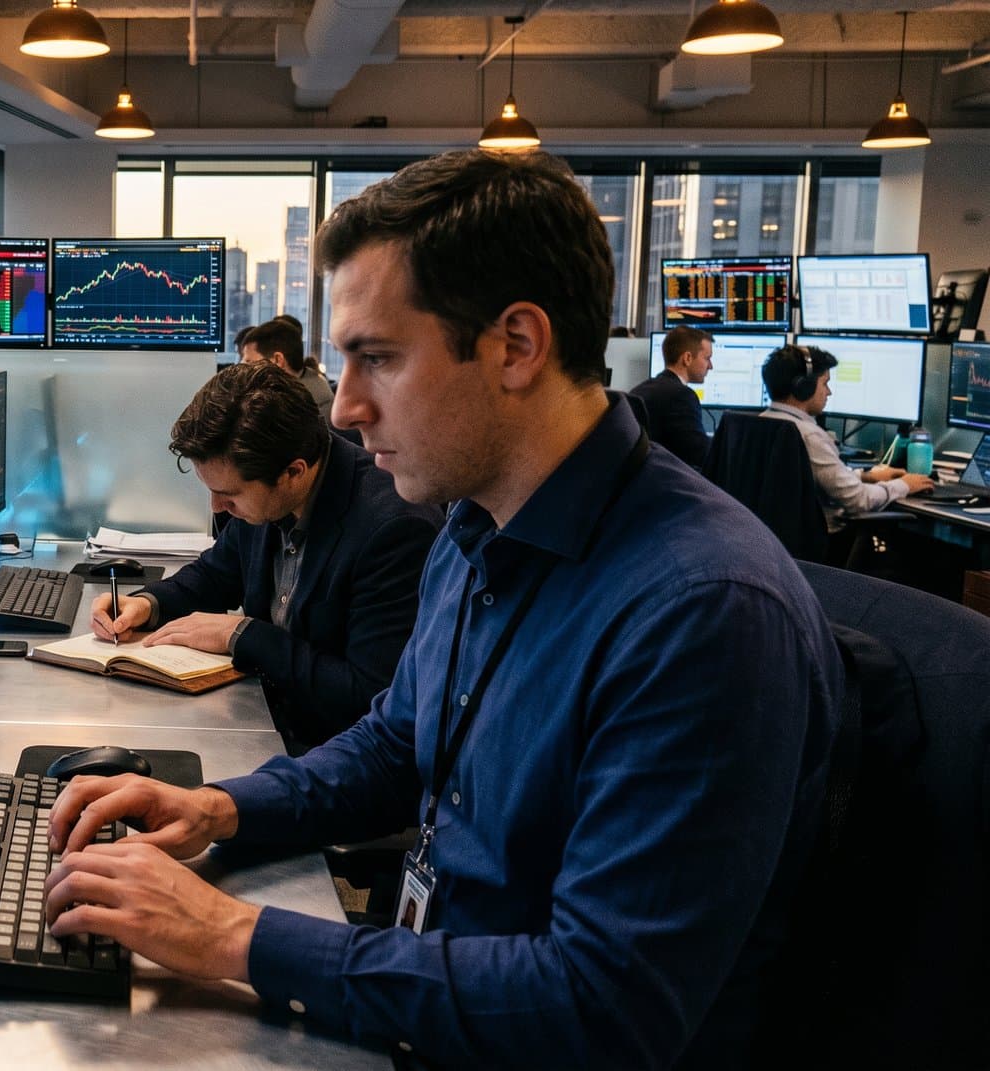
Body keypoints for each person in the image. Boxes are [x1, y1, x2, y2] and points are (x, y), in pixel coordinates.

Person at [44, 150, 839, 1069]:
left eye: (378, 358)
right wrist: (218, 807)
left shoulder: (703, 610)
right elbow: (396, 744)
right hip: (427, 996)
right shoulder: (472, 529)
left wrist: (233, 936)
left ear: (517, 346)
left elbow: (600, 1007)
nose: (344, 409)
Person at [90, 362, 439, 753]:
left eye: (229, 495)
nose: (217, 507)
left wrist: (244, 636)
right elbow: (216, 574)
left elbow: (368, 696)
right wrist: (146, 603)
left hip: (329, 754)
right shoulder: (265, 491)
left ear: (293, 472)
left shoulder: (393, 529)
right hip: (259, 719)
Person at [759, 343, 934, 530]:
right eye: (825, 383)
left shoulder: (761, 423)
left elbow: (810, 478)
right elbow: (858, 499)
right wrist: (904, 485)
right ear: (803, 387)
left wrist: (866, 476)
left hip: (771, 540)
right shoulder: (809, 435)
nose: (829, 392)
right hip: (824, 540)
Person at [631, 326, 712, 467]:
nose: (710, 366)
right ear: (687, 358)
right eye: (707, 358)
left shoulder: (640, 389)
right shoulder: (682, 395)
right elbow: (699, 454)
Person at [241, 316, 334, 415]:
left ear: (277, 360)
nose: (242, 366)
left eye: (248, 361)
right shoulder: (282, 389)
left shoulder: (312, 402)